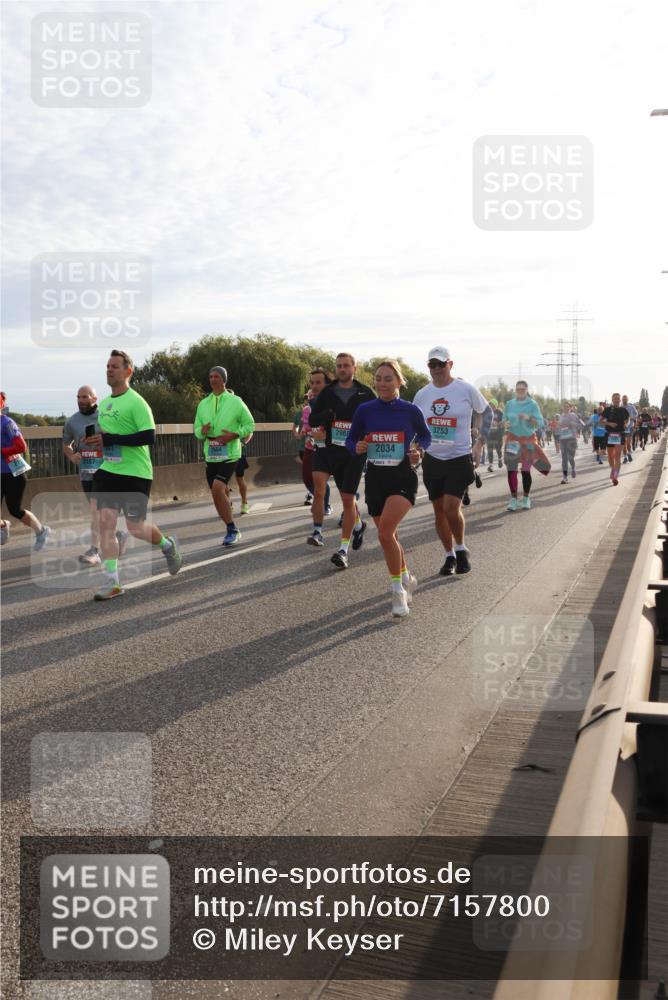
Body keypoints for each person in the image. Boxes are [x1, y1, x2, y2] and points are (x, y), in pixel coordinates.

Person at [82, 351, 182, 599]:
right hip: (109, 470)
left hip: (136, 473)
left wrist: (111, 439)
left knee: (135, 528)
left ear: (128, 371)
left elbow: (149, 436)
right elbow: (108, 437)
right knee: (106, 524)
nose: (109, 370)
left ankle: (167, 545)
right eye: (107, 366)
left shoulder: (137, 402)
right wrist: (97, 441)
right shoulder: (105, 404)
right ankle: (112, 582)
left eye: (115, 366)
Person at [346, 360, 431, 616]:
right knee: (389, 535)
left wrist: (419, 451)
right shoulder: (365, 410)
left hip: (402, 476)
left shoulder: (410, 410)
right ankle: (406, 577)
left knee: (384, 533)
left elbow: (425, 436)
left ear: (399, 381)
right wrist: (357, 447)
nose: (382, 383)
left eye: (388, 379)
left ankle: (397, 592)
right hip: (375, 478)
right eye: (378, 379)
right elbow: (351, 440)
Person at [412, 347, 486, 575]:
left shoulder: (465, 389)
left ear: (450, 364)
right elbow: (415, 425)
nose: (436, 368)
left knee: (451, 507)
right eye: (432, 364)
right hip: (433, 459)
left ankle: (461, 547)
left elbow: (487, 412)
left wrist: (480, 443)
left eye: (441, 364)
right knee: (439, 511)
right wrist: (415, 447)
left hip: (459, 458)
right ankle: (449, 555)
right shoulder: (422, 394)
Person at [307, 352, 375, 568]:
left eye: (346, 365)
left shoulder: (366, 393)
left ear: (354, 367)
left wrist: (367, 437)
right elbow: (313, 419)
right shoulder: (328, 392)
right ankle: (350, 527)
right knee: (329, 491)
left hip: (354, 453)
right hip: (331, 451)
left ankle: (343, 550)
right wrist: (325, 416)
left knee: (347, 499)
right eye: (339, 366)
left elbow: (377, 419)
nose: (342, 369)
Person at [62, 385, 128, 564]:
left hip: (107, 471)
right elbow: (66, 444)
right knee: (98, 513)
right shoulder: (72, 422)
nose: (81, 400)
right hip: (86, 473)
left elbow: (118, 439)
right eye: (78, 397)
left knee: (96, 511)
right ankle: (117, 535)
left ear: (94, 398)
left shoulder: (106, 416)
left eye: (85, 397)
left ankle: (94, 551)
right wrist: (71, 455)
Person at [194, 366, 255, 545]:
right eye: (210, 376)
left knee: (217, 488)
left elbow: (250, 424)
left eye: (216, 376)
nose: (212, 379)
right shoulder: (203, 404)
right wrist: (202, 430)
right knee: (217, 494)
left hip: (230, 453)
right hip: (211, 453)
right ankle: (231, 527)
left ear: (223, 380)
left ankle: (232, 529)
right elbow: (196, 430)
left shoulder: (236, 401)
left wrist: (235, 434)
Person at [0, 392, 51, 549]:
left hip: (13, 473)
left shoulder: (7, 423)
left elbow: (21, 447)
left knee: (15, 509)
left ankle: (41, 531)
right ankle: (3, 526)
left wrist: (2, 451)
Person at [502, 381, 550, 510]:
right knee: (511, 469)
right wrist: (505, 423)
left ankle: (526, 498)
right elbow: (503, 419)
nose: (520, 392)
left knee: (525, 470)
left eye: (522, 389)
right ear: (515, 390)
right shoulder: (509, 404)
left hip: (528, 440)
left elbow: (540, 423)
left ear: (526, 390)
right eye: (518, 389)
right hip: (512, 439)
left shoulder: (532, 404)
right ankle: (513, 500)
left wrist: (528, 418)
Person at [300, 370, 333, 544]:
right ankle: (317, 532)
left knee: (347, 496)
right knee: (317, 489)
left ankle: (357, 524)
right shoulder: (309, 407)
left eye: (318, 383)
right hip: (316, 449)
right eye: (312, 383)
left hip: (337, 451)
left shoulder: (337, 402)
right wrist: (310, 432)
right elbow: (307, 427)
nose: (314, 387)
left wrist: (327, 434)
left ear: (327, 385)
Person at [600, 392, 629, 486]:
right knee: (610, 458)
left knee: (617, 457)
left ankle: (615, 476)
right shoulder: (607, 410)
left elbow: (627, 420)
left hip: (620, 434)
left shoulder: (623, 410)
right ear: (612, 400)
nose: (616, 400)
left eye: (618, 398)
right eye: (615, 398)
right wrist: (609, 424)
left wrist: (626, 424)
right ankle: (613, 469)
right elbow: (601, 422)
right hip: (609, 435)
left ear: (620, 400)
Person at [293, 394, 312, 505]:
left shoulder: (316, 411)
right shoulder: (300, 414)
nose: (307, 402)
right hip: (302, 447)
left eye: (309, 400)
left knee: (313, 471)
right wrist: (297, 434)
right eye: (305, 400)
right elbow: (295, 426)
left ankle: (310, 494)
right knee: (308, 472)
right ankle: (311, 492)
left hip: (314, 447)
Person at [558, 403, 582, 483]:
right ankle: (565, 477)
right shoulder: (561, 416)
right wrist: (559, 429)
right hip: (563, 439)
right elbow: (560, 426)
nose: (566, 408)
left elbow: (581, 425)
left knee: (571, 458)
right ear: (563, 408)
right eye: (564, 407)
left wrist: (573, 424)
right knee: (564, 458)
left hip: (572, 439)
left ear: (570, 408)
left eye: (567, 407)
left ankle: (573, 467)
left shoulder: (574, 415)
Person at [621, 395, 637, 463]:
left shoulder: (631, 406)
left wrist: (632, 418)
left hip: (630, 427)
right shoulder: (620, 407)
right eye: (623, 399)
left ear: (627, 399)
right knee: (623, 443)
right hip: (623, 427)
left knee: (628, 443)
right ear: (622, 400)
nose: (624, 400)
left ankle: (629, 453)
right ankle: (625, 457)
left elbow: (636, 414)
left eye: (625, 399)